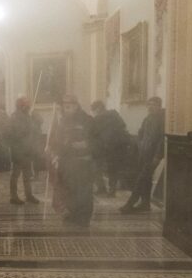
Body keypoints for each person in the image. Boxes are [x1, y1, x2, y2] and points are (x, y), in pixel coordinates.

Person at [48, 95, 96, 226]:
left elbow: (97, 140)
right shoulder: (63, 121)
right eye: (64, 106)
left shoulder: (87, 120)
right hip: (67, 163)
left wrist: (86, 145)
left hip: (83, 162)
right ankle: (72, 214)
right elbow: (58, 140)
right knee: (69, 190)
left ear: (76, 105)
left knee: (83, 191)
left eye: (68, 106)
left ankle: (83, 218)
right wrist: (54, 149)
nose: (66, 109)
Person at [120, 97, 165, 213]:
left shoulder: (162, 119)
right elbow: (140, 133)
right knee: (146, 178)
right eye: (149, 104)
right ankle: (145, 204)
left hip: (153, 155)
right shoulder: (148, 118)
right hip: (144, 153)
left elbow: (162, 139)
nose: (150, 107)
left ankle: (130, 203)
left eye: (153, 104)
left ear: (159, 106)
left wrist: (158, 156)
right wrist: (140, 144)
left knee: (142, 178)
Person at [89, 101, 129, 197]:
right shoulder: (115, 115)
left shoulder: (99, 118)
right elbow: (123, 126)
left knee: (100, 167)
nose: (94, 112)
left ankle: (103, 188)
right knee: (111, 169)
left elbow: (93, 133)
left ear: (99, 108)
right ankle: (110, 190)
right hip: (112, 146)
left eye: (94, 109)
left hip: (107, 146)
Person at [8, 96, 41, 204]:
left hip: (27, 150)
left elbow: (35, 130)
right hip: (18, 151)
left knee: (27, 175)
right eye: (26, 104)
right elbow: (16, 133)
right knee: (15, 175)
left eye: (28, 104)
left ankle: (29, 195)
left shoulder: (28, 116)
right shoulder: (15, 117)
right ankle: (13, 196)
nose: (29, 106)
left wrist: (36, 120)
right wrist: (28, 126)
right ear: (20, 105)